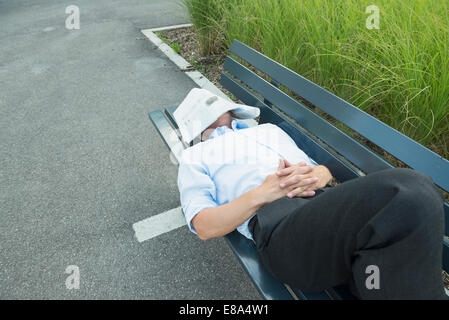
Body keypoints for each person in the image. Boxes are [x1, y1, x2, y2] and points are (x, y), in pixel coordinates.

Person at [177, 97, 447, 300]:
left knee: (403, 222)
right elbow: (204, 225)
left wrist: (322, 173)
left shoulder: (267, 131)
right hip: (282, 229)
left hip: (325, 211)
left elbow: (318, 169)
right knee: (412, 190)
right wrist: (263, 193)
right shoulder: (194, 156)